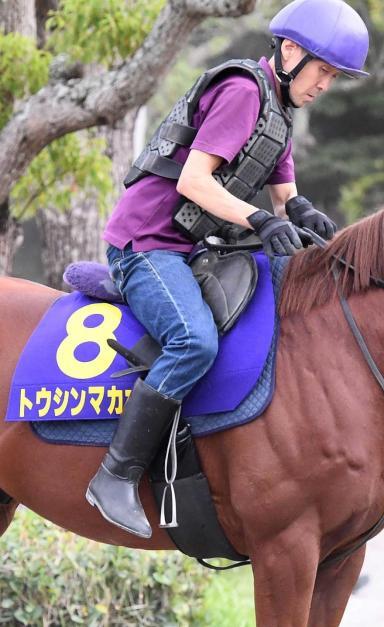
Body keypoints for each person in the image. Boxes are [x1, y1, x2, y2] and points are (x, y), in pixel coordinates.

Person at [86, 0, 369, 538]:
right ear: (290, 51)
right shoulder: (242, 92)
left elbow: (285, 197)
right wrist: (261, 219)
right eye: (323, 70)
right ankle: (114, 474)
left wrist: (302, 212)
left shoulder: (280, 114)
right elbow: (194, 182)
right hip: (147, 246)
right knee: (194, 342)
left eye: (334, 76)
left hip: (189, 250)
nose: (325, 85)